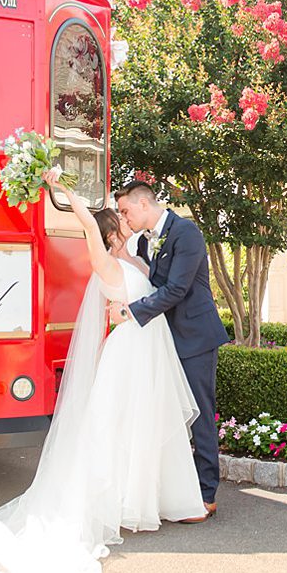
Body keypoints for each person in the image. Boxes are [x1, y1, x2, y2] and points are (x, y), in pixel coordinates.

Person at [0, 168, 206, 573]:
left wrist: (124, 238)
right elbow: (88, 222)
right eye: (124, 221)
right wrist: (60, 187)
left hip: (146, 352)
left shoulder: (134, 261)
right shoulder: (106, 260)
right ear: (113, 234)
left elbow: (163, 285)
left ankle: (151, 498)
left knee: (143, 426)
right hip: (131, 353)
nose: (129, 223)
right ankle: (119, 502)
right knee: (117, 427)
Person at [112, 180, 230, 517]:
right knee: (170, 416)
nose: (125, 217)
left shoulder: (186, 233)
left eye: (126, 210)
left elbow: (177, 289)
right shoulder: (148, 242)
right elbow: (154, 281)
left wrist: (130, 313)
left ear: (144, 204)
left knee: (200, 415)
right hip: (165, 339)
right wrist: (126, 257)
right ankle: (179, 489)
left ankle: (207, 494)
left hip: (195, 337)